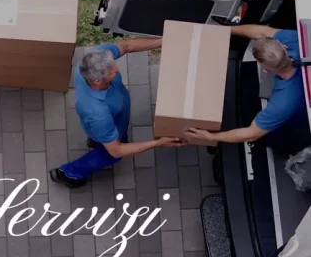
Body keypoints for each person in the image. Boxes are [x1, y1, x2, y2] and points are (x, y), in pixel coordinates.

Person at [50, 39, 185, 188]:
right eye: (112, 72)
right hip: (108, 127)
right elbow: (117, 150)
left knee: (104, 139)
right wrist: (159, 143)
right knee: (110, 155)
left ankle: (97, 141)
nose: (117, 69)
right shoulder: (98, 113)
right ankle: (70, 172)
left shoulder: (94, 58)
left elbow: (126, 46)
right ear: (97, 81)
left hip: (108, 122)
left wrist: (165, 40)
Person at [185, 25, 308, 151]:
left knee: (274, 136)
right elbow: (262, 32)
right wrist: (225, 30)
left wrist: (211, 137)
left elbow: (252, 134)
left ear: (266, 70)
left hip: (301, 121)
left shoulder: (283, 103)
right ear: (284, 47)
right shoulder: (296, 40)